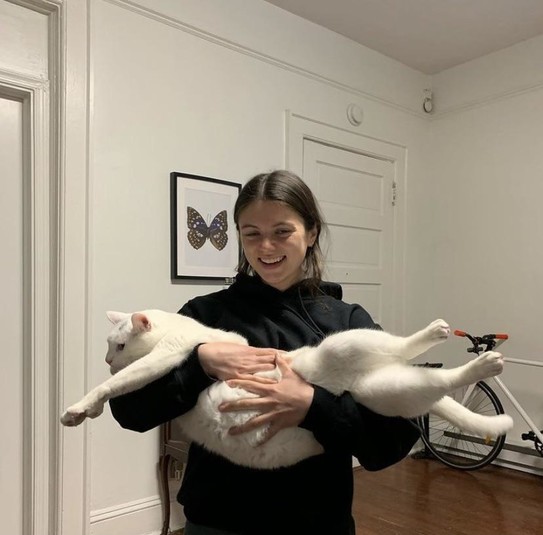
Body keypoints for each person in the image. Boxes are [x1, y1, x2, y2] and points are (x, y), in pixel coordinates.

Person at [109, 170, 420, 535]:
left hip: (316, 522)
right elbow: (129, 411)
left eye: (282, 231)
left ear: (312, 233)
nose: (266, 247)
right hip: (217, 521)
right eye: (252, 233)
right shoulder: (202, 315)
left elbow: (395, 438)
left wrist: (312, 406)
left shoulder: (347, 322)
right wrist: (200, 365)